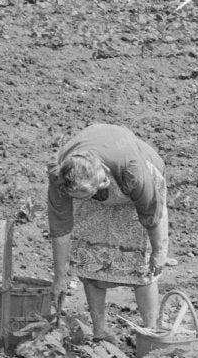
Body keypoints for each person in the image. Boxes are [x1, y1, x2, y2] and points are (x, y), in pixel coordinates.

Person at [46, 123, 169, 345]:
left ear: (102, 182)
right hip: (91, 178)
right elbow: (60, 227)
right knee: (88, 260)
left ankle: (151, 334)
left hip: (137, 180)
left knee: (142, 267)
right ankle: (100, 332)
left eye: (83, 193)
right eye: (75, 194)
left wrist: (159, 251)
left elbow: (151, 213)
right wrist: (59, 278)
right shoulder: (61, 175)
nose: (78, 197)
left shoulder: (134, 173)